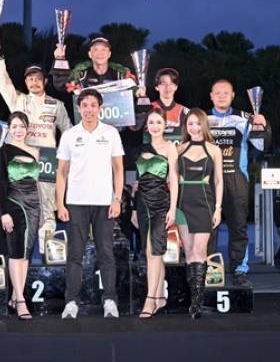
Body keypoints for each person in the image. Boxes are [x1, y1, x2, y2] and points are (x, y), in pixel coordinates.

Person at [0, 31, 72, 254]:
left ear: (45, 81)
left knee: (47, 208)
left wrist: (65, 158)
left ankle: (49, 258)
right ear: (25, 82)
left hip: (47, 160)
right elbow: (1, 81)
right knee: (20, 206)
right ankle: (21, 256)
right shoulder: (18, 100)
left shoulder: (57, 105)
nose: (34, 82)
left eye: (38, 78)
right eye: (30, 78)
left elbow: (69, 132)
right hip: (21, 161)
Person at [56, 88, 125, 320]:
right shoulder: (69, 135)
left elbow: (118, 169)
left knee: (106, 253)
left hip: (105, 202)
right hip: (76, 202)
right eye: (84, 105)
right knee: (75, 254)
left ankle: (110, 301)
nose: (89, 109)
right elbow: (61, 173)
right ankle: (71, 302)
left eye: (93, 105)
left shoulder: (111, 133)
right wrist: (60, 203)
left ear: (100, 108)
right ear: (78, 108)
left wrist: (117, 198)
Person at [208, 79, 270, 287]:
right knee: (209, 230)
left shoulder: (245, 118)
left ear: (233, 95)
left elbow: (262, 146)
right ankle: (211, 272)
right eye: (218, 93)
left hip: (237, 179)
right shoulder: (202, 119)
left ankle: (239, 271)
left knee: (238, 229)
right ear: (211, 96)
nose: (222, 96)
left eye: (226, 92)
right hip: (209, 181)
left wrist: (263, 125)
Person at [177, 108, 223, 319]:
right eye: (190, 124)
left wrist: (218, 207)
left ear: (204, 125)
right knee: (188, 252)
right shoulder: (178, 149)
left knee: (199, 251)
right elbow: (171, 180)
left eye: (197, 123)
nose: (194, 127)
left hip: (204, 202)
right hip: (183, 203)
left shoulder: (214, 150)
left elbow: (219, 181)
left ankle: (197, 302)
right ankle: (193, 301)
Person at [134, 107, 178, 318]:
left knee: (154, 251)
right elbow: (138, 182)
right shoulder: (142, 148)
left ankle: (150, 300)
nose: (154, 126)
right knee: (151, 251)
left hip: (161, 204)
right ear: (146, 126)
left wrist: (172, 208)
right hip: (142, 204)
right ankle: (159, 297)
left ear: (165, 125)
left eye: (158, 122)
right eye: (151, 122)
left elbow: (174, 181)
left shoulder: (170, 148)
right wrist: (134, 209)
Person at [0, 112, 41, 320]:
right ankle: (21, 301)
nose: (18, 130)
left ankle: (16, 295)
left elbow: (39, 183)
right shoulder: (4, 151)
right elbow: (1, 182)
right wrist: (4, 212)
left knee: (25, 254)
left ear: (27, 128)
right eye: (14, 126)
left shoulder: (36, 151)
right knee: (16, 252)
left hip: (34, 206)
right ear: (9, 128)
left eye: (22, 126)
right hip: (14, 204)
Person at [53, 37, 136, 93]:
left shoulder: (121, 74)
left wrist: (140, 93)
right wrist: (60, 59)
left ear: (109, 54)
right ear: (90, 54)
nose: (100, 53)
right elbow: (62, 85)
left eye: (104, 49)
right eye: (96, 49)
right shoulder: (81, 74)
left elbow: (134, 91)